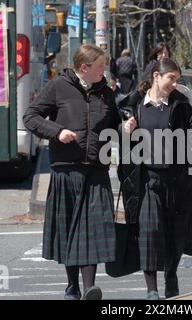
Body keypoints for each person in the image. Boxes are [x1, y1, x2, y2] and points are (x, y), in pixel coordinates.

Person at [120, 58, 192, 299]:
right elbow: (116, 140)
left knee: (175, 235)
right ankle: (151, 290)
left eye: (177, 79)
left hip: (178, 181)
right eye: (171, 78)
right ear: (156, 76)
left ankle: (170, 275)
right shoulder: (133, 105)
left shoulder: (180, 106)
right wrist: (125, 131)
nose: (175, 83)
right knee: (149, 233)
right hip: (146, 181)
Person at [23, 44, 121, 300]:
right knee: (70, 230)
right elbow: (31, 117)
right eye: (100, 66)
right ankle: (72, 286)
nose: (104, 70)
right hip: (67, 171)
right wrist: (57, 131)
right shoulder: (58, 87)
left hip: (97, 170)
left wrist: (127, 127)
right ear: (84, 68)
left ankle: (90, 288)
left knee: (94, 228)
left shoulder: (106, 92)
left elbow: (114, 126)